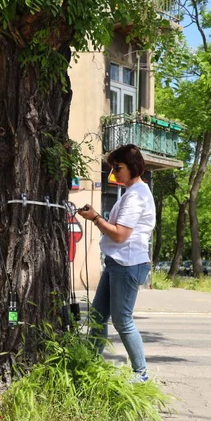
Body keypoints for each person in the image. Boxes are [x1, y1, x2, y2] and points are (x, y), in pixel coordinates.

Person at [79, 144, 155, 382]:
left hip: (127, 264)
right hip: (117, 263)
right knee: (98, 317)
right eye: (112, 168)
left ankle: (141, 373)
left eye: (118, 167)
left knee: (122, 320)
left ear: (133, 167)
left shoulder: (137, 196)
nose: (114, 173)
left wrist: (95, 218)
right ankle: (90, 363)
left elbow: (120, 234)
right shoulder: (132, 193)